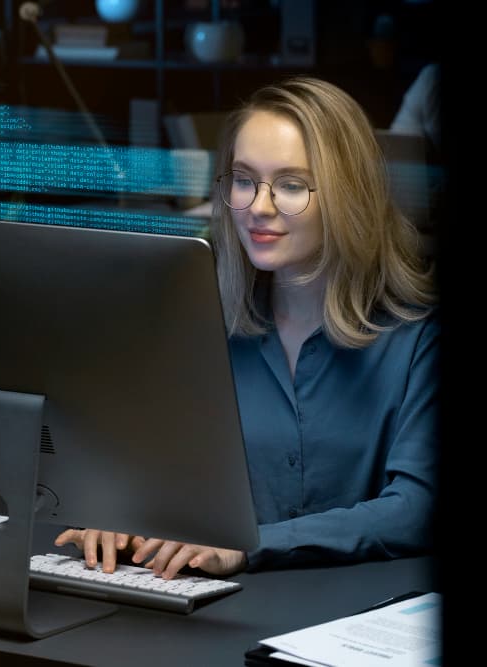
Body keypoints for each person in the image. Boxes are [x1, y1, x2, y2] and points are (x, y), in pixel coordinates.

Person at [56, 77, 439, 579]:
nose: (258, 207)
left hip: (360, 610)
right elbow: (143, 464)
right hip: (213, 603)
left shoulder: (418, 338)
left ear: (350, 196)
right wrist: (115, 511)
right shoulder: (197, 322)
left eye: (291, 185)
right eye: (243, 180)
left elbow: (416, 510)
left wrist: (248, 546)